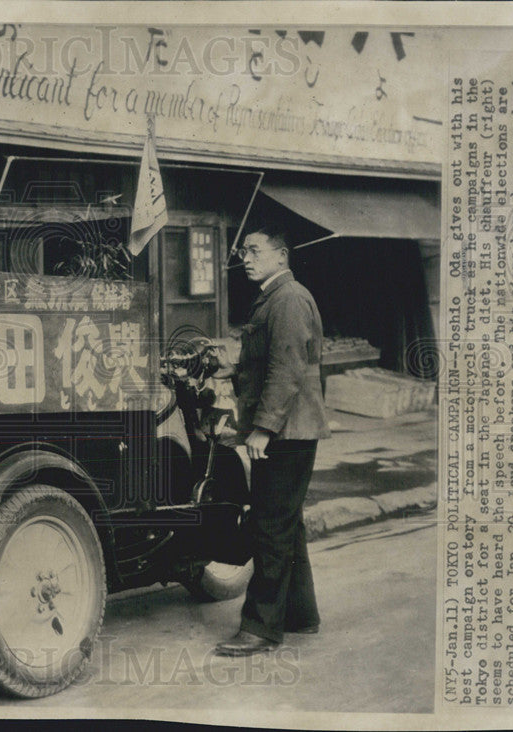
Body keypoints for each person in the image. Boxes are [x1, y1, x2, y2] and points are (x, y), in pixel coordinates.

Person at [214, 226, 331, 657]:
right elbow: (267, 362)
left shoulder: (289, 298)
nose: (246, 257)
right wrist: (232, 372)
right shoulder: (273, 296)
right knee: (285, 523)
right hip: (289, 427)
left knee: (269, 525)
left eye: (255, 250)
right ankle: (301, 615)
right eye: (243, 250)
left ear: (281, 256)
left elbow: (288, 368)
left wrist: (262, 427)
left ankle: (262, 629)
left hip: (287, 430)